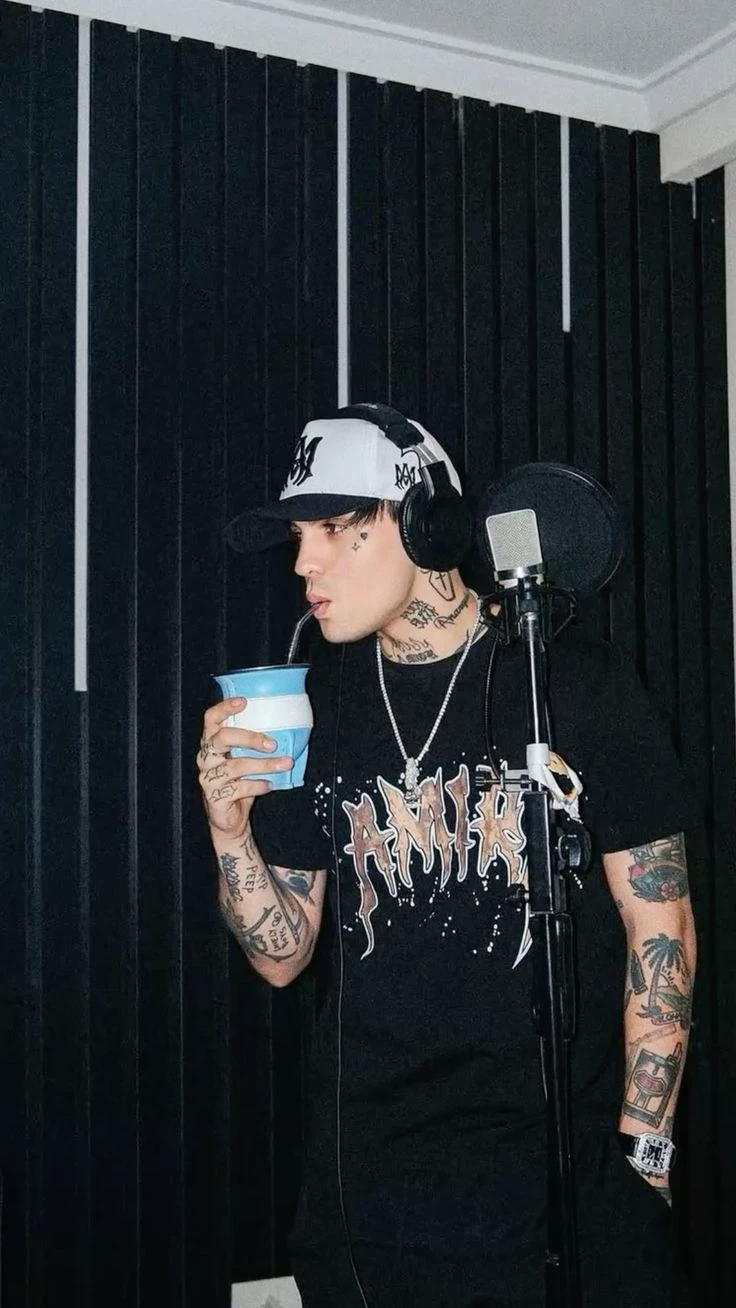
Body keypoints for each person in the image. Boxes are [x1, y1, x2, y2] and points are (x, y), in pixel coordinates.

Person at [197, 406, 697, 1308]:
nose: (305, 562)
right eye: (299, 537)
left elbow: (660, 927)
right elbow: (282, 955)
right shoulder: (317, 705)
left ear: (427, 523)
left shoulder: (570, 681)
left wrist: (646, 1156)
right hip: (368, 1208)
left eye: (335, 529)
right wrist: (230, 829)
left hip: (558, 1198)